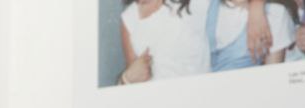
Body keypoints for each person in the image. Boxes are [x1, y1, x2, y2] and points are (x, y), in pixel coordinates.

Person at [118, 0, 278, 83]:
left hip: (197, 99)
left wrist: (257, 6)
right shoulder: (128, 17)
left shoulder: (190, 2)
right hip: (155, 107)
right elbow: (133, 73)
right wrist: (127, 79)